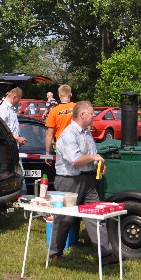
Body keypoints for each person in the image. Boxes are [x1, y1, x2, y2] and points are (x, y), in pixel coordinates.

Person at [49, 100, 117, 264]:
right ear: (82, 115)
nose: (94, 116)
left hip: (88, 180)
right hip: (69, 180)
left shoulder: (86, 133)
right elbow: (75, 159)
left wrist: (98, 165)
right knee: (64, 218)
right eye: (91, 113)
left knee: (95, 216)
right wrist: (93, 158)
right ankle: (55, 254)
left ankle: (106, 254)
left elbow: (92, 154)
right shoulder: (68, 135)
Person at [44, 84, 76, 159]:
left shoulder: (54, 111)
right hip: (75, 143)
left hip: (61, 145)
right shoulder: (77, 107)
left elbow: (49, 134)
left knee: (62, 169)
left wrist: (47, 153)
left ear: (59, 95)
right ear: (71, 94)